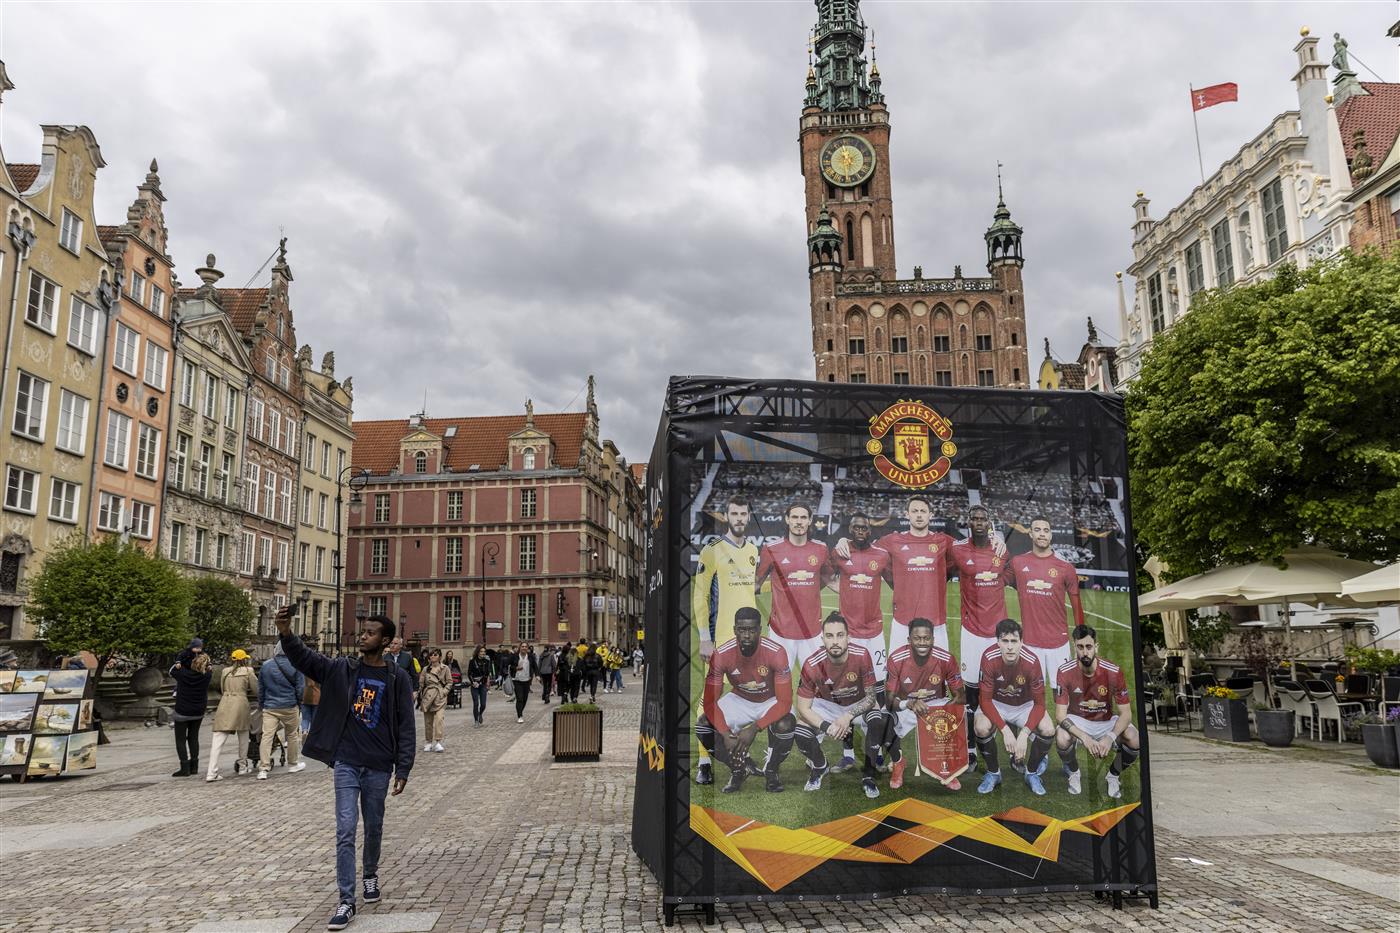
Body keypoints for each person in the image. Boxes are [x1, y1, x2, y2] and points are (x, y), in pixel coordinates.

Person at [275, 608, 415, 931]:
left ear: (385, 641)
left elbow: (406, 726)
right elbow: (307, 660)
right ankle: (346, 900)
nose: (363, 636)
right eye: (363, 631)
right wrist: (286, 633)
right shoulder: (342, 670)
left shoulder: (397, 678)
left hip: (379, 764)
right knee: (345, 828)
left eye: (370, 633)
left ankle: (370, 874)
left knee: (374, 827)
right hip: (347, 763)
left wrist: (404, 767)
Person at [695, 607, 796, 793]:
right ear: (735, 630)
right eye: (742, 630)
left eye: (751, 630)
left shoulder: (776, 652)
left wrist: (754, 728)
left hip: (770, 699)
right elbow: (710, 702)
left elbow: (784, 702)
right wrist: (725, 733)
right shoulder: (722, 655)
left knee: (786, 724)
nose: (746, 635)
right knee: (703, 725)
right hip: (740, 698)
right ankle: (738, 768)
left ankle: (772, 770)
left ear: (759, 630)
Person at [793, 613, 884, 798]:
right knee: (800, 730)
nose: (835, 641)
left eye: (840, 635)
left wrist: (847, 716)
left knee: (877, 719)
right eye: (830, 636)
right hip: (827, 705)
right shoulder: (812, 663)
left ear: (848, 637)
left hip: (856, 703)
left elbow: (871, 698)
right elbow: (803, 707)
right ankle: (820, 766)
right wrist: (827, 726)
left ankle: (868, 775)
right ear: (822, 639)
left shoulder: (861, 655)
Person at [949, 504, 1010, 765]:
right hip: (972, 632)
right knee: (971, 692)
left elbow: (1010, 573)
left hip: (998, 633)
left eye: (983, 518)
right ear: (968, 522)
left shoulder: (1001, 550)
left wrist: (1002, 542)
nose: (978, 522)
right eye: (974, 518)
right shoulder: (958, 548)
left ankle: (1010, 745)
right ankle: (971, 749)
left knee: (1005, 690)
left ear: (989, 522)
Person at [1055, 624, 1139, 799]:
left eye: (1088, 647)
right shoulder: (1064, 671)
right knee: (1062, 737)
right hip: (1078, 719)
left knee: (1134, 738)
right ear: (1074, 646)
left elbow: (1126, 713)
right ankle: (1074, 773)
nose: (1085, 652)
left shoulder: (1113, 672)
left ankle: (1113, 775)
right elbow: (1060, 715)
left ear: (1096, 647)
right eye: (1080, 647)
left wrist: (1110, 737)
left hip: (1105, 721)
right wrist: (1084, 737)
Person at [881, 617, 964, 792]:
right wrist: (908, 704)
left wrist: (943, 712)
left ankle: (946, 768)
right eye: (917, 638)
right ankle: (898, 762)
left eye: (926, 638)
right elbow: (889, 699)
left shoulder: (946, 658)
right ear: (909, 640)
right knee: (882, 722)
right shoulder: (896, 659)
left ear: (933, 639)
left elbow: (960, 696)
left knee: (955, 717)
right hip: (906, 704)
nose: (922, 642)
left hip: (935, 704)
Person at [974, 619, 1055, 796]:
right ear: (997, 642)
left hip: (1024, 705)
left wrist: (1024, 733)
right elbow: (985, 701)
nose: (1010, 647)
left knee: (1048, 729)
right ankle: (993, 773)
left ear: (1021, 642)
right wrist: (1006, 731)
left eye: (1014, 641)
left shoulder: (1032, 661)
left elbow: (1040, 704)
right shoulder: (988, 657)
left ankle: (1031, 773)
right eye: (1005, 641)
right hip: (996, 703)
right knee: (980, 727)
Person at [1002, 517, 1085, 688]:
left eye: (1046, 530)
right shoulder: (1018, 563)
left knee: (1061, 694)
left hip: (1058, 644)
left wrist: (1081, 638)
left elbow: (1076, 605)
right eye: (1038, 530)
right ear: (1030, 533)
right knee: (1029, 694)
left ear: (1051, 535)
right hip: (1030, 644)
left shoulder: (1066, 567)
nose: (1042, 534)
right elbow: (997, 581)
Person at [692, 497, 758, 661]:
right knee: (718, 686)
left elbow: (749, 588)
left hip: (750, 637)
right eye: (734, 513)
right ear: (726, 516)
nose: (739, 518)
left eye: (743, 514)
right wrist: (705, 638)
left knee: (749, 686)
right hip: (720, 638)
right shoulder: (711, 550)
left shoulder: (753, 550)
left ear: (749, 516)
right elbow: (701, 596)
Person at [257, 642, 306, 781]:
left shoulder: (266, 665)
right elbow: (300, 688)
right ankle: (293, 764)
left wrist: (262, 704)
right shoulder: (296, 665)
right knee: (292, 735)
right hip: (289, 705)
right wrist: (299, 703)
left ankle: (263, 768)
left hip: (270, 706)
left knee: (267, 736)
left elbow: (261, 687)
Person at [207, 649, 258, 781]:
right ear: (244, 659)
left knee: (218, 739)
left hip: (225, 702)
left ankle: (211, 772)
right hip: (240, 703)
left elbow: (223, 688)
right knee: (243, 736)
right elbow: (256, 689)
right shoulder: (248, 671)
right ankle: (242, 766)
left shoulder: (225, 671)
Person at [169, 652, 212, 778]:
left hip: (183, 710)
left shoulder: (182, 674)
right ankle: (194, 766)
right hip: (198, 710)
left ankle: (184, 767)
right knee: (194, 737)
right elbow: (210, 669)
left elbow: (171, 670)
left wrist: (179, 661)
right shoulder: (207, 676)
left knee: (180, 739)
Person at [418, 649, 451, 752]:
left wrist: (444, 692)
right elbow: (421, 683)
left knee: (439, 719)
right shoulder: (425, 669)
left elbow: (449, 682)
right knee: (428, 721)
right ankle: (428, 742)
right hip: (428, 697)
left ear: (440, 657)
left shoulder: (445, 668)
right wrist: (418, 694)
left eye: (435, 655)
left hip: (440, 696)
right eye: (431, 655)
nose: (432, 656)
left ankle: (438, 741)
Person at [510, 643, 536, 722]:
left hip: (527, 680)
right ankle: (520, 716)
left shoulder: (530, 656)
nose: (524, 648)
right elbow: (509, 666)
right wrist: (516, 668)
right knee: (520, 698)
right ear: (520, 647)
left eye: (525, 647)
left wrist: (537, 675)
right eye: (522, 646)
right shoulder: (514, 656)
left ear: (527, 648)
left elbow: (535, 666)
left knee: (525, 698)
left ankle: (520, 711)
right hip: (517, 680)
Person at [467, 646, 491, 725]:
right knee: (476, 703)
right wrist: (473, 682)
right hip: (474, 685)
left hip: (482, 684)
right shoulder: (472, 661)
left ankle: (480, 714)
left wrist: (482, 682)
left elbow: (487, 673)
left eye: (484, 651)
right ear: (477, 652)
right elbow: (469, 673)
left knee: (483, 704)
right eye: (481, 651)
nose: (483, 653)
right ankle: (476, 720)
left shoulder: (486, 661)